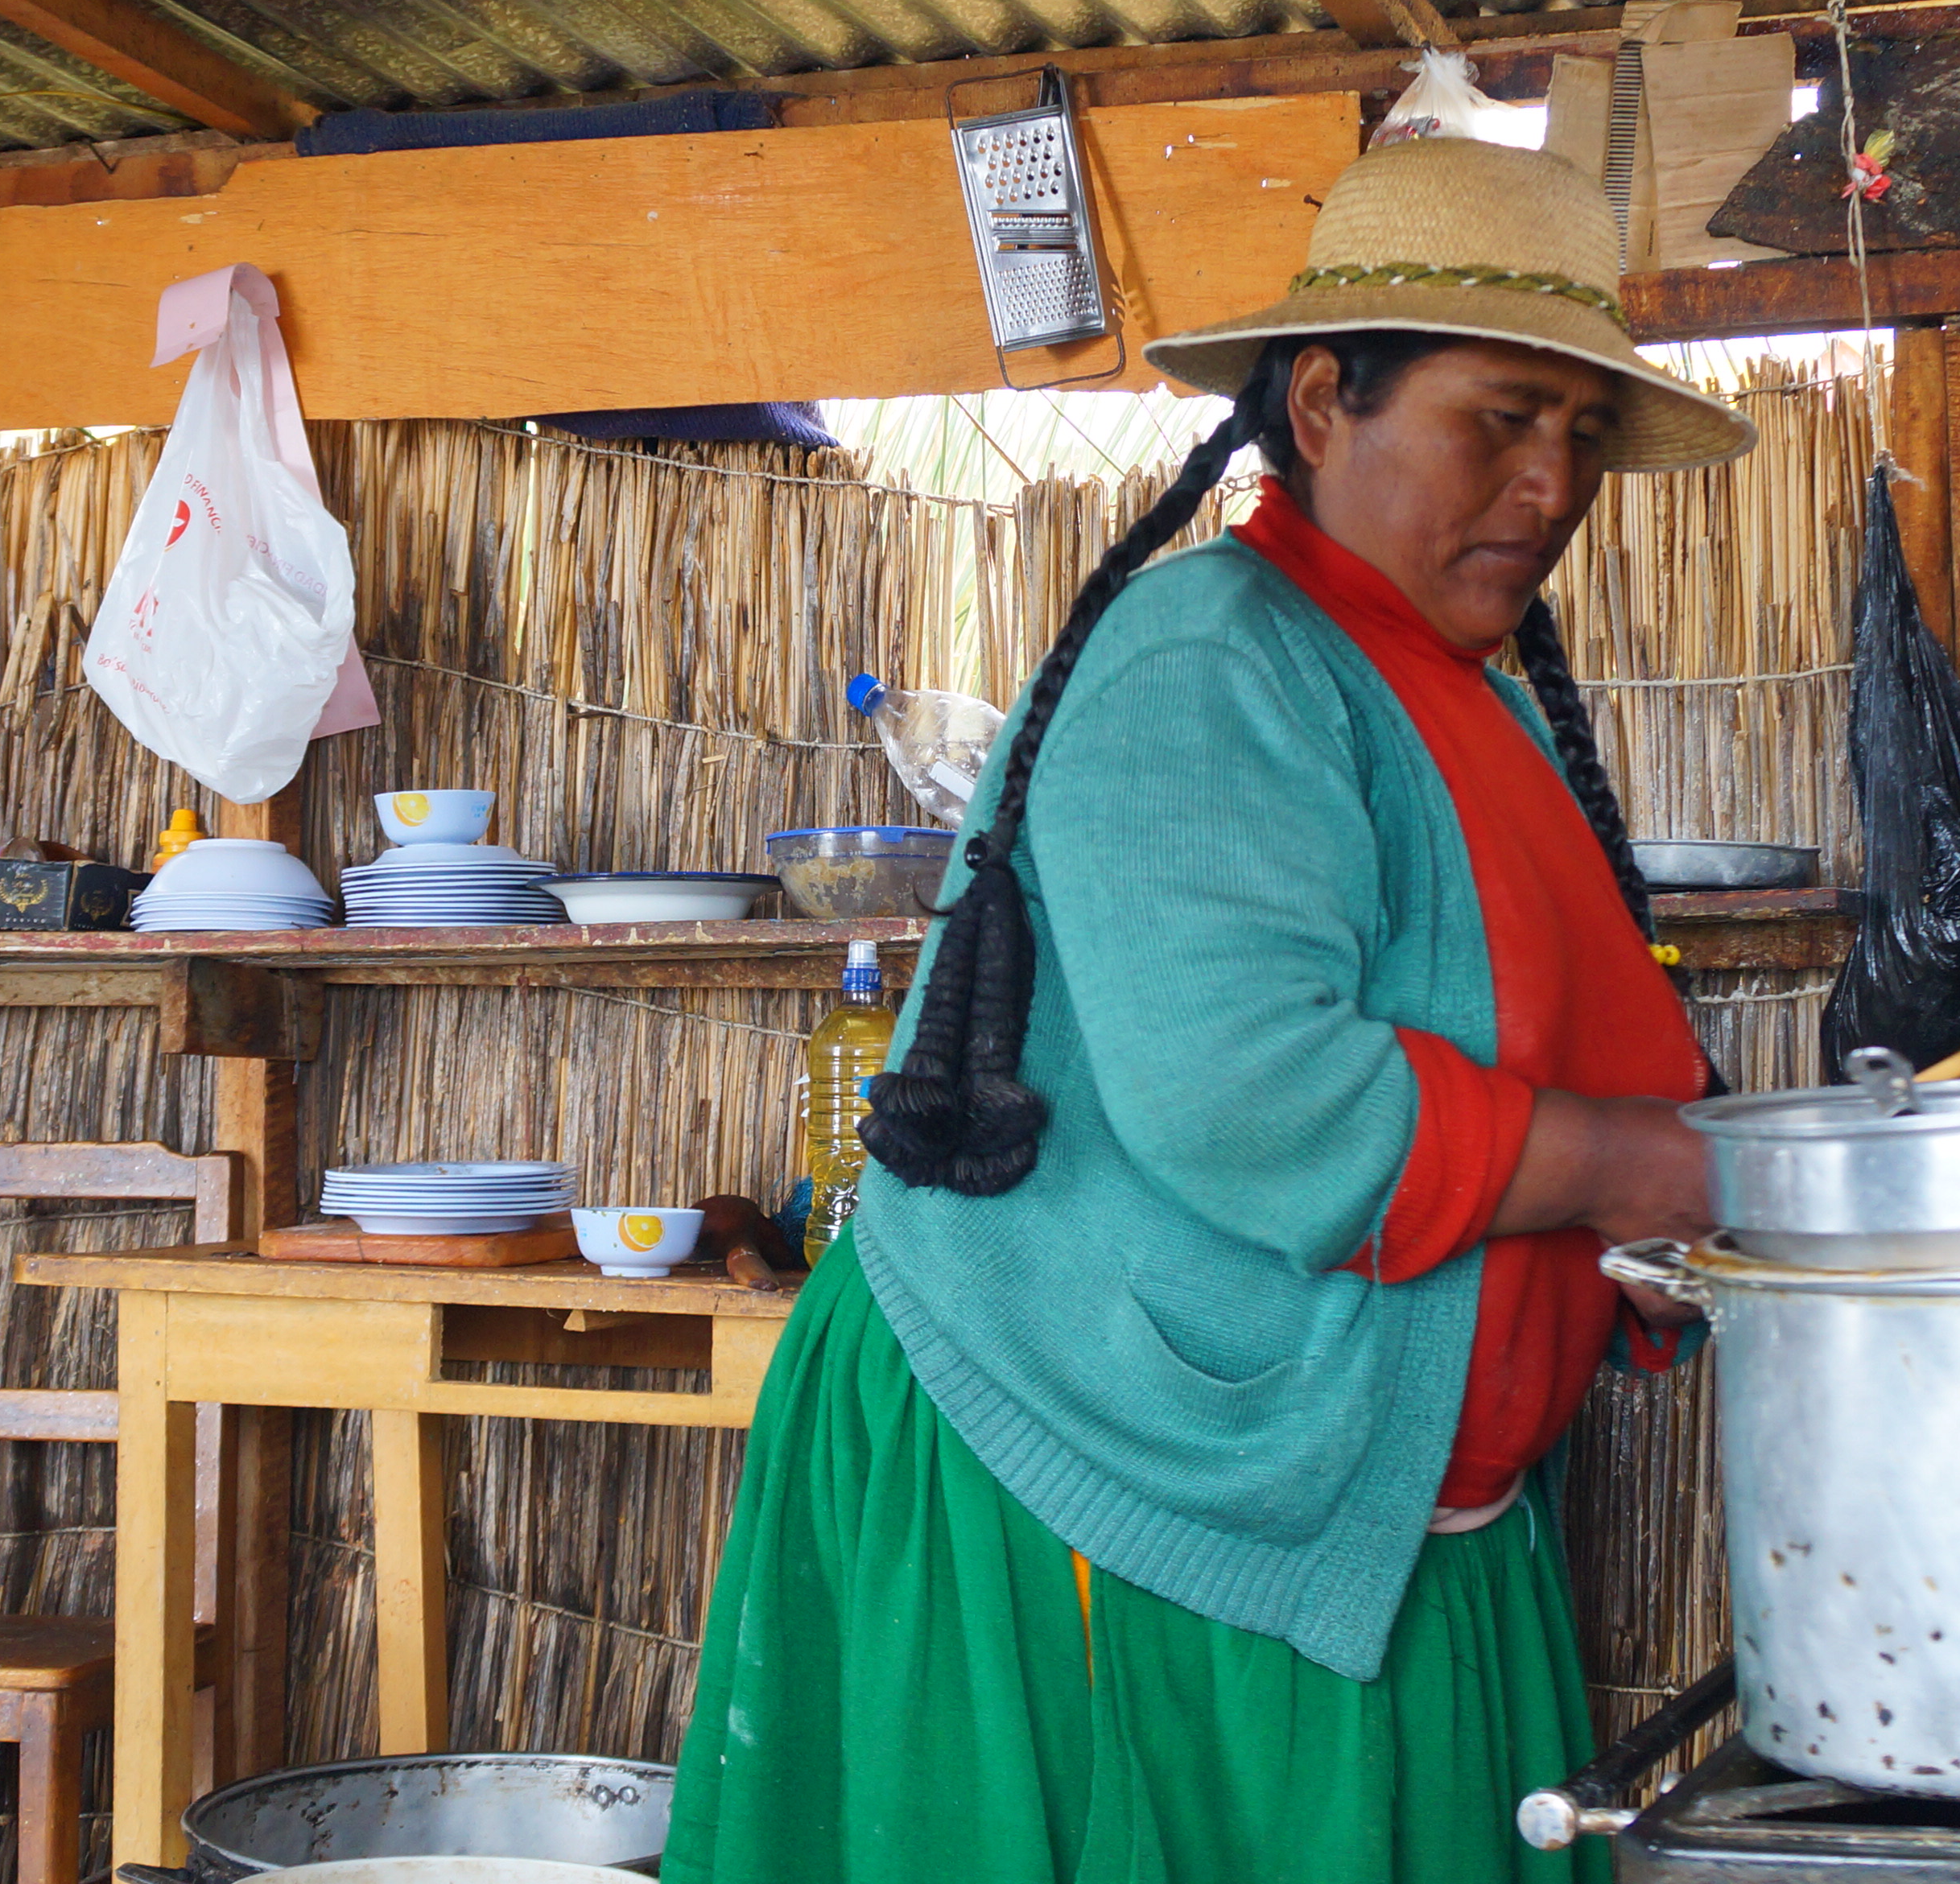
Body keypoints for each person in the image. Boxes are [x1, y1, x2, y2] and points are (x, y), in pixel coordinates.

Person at [667, 134, 1758, 1882]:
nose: (1551, 483)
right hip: (1108, 1483)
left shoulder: (1459, 701)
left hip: (1345, 1511)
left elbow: (1538, 1056)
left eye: (1583, 433)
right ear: (1322, 402)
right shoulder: (1212, 656)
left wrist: (1669, 1221)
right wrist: (1646, 1168)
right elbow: (1260, 1101)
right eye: (1500, 419)